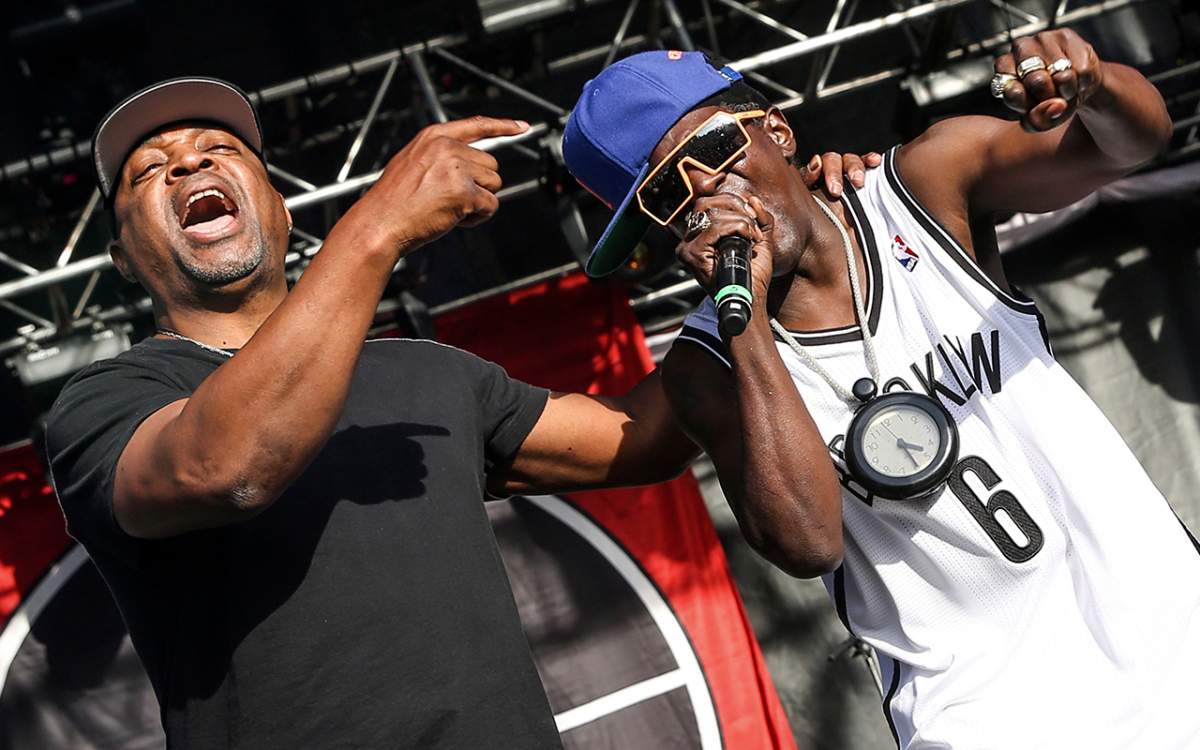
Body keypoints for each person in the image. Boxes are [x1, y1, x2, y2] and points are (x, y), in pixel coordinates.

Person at [44, 76, 867, 748]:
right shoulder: (110, 404)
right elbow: (227, 468)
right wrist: (377, 227)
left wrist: (794, 247)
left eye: (219, 151)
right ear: (122, 256)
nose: (190, 168)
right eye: (151, 171)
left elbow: (644, 438)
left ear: (281, 206)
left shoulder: (424, 375)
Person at [561, 37, 1200, 748]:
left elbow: (1126, 146)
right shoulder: (709, 367)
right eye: (663, 197)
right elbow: (805, 543)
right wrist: (746, 320)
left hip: (1175, 643)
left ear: (775, 128)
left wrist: (1098, 85)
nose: (705, 193)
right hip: (988, 722)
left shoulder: (923, 187)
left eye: (710, 152)